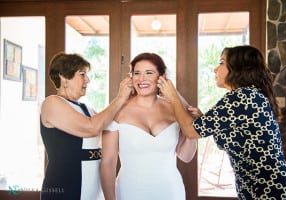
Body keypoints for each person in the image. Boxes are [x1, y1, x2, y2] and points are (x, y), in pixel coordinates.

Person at [157, 45, 286, 199]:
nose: (215, 69)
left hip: (271, 193)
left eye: (221, 62)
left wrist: (172, 97)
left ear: (238, 68)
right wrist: (203, 119)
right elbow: (234, 133)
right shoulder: (249, 96)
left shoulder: (241, 98)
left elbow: (191, 131)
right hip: (267, 191)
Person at [100, 52, 199, 200]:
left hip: (171, 191)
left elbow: (186, 156)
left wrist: (194, 127)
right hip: (129, 192)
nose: (142, 79)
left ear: (162, 77)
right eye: (137, 73)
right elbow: (108, 162)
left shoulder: (174, 109)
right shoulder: (117, 111)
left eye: (149, 73)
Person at [40, 52, 133, 200]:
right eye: (82, 74)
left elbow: (110, 124)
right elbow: (91, 128)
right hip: (65, 188)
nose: (87, 80)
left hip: (93, 190)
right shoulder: (52, 103)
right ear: (64, 77)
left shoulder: (87, 109)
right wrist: (121, 97)